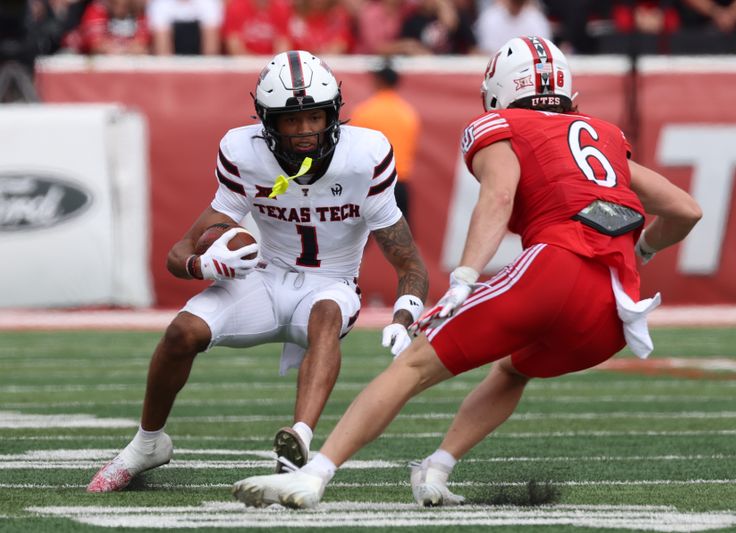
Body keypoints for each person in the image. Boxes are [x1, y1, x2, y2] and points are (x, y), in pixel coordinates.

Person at [231, 36, 702, 509]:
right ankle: (436, 467)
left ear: (497, 91)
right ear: (568, 96)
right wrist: (640, 251)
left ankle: (313, 476)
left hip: (556, 268)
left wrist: (464, 278)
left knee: (413, 364)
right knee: (511, 371)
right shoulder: (603, 132)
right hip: (617, 307)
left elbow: (498, 196)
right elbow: (685, 210)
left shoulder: (502, 123)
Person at [87, 50, 428, 493]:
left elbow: (410, 263)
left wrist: (406, 314)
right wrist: (202, 264)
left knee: (325, 315)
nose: (306, 131)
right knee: (180, 333)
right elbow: (180, 251)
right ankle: (147, 443)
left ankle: (297, 445)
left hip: (332, 282)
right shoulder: (244, 154)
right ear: (268, 122)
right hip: (265, 279)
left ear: (334, 113)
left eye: (316, 117)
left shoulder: (364, 157)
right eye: (291, 120)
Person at [349, 60, 420, 226]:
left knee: (356, 240)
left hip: (369, 184)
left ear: (379, 80)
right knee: (404, 242)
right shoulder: (408, 113)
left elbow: (352, 152)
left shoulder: (364, 112)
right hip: (399, 183)